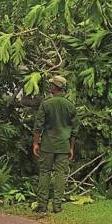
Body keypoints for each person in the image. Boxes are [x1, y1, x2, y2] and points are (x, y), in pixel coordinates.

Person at [33, 76, 79, 213]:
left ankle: (42, 205)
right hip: (64, 145)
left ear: (54, 87)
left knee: (45, 173)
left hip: (48, 145)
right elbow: (75, 129)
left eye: (51, 85)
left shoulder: (46, 104)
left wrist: (36, 143)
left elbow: (38, 126)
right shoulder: (70, 105)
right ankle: (57, 206)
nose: (50, 87)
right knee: (60, 174)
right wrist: (71, 147)